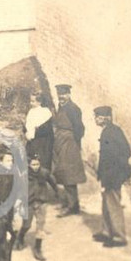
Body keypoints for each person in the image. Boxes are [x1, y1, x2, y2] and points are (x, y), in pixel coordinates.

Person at [93, 106, 131, 248]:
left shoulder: (111, 133)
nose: (95, 119)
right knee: (106, 203)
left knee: (114, 205)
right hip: (108, 175)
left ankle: (119, 237)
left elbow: (125, 152)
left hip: (112, 176)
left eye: (97, 117)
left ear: (104, 118)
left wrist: (114, 173)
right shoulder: (111, 131)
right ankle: (106, 232)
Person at [51, 84, 86, 216]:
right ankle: (68, 203)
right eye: (59, 94)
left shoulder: (73, 109)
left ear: (69, 95)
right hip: (61, 142)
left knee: (69, 173)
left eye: (64, 94)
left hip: (69, 143)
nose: (61, 97)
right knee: (63, 172)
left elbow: (80, 129)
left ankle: (73, 206)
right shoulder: (62, 107)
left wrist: (74, 143)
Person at [17, 153, 59, 261]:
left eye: (37, 164)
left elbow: (52, 181)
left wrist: (56, 191)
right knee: (26, 225)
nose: (35, 167)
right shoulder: (24, 175)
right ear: (29, 165)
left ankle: (37, 248)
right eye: (33, 165)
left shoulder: (44, 173)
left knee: (40, 225)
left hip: (41, 202)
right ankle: (20, 237)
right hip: (29, 203)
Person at [25, 92, 55, 171]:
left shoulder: (45, 112)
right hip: (32, 140)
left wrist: (33, 133)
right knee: (31, 158)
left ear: (40, 102)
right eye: (30, 101)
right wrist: (26, 132)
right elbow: (28, 125)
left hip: (43, 142)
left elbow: (46, 129)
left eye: (33, 101)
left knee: (42, 160)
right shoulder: (31, 111)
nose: (31, 103)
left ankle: (43, 178)